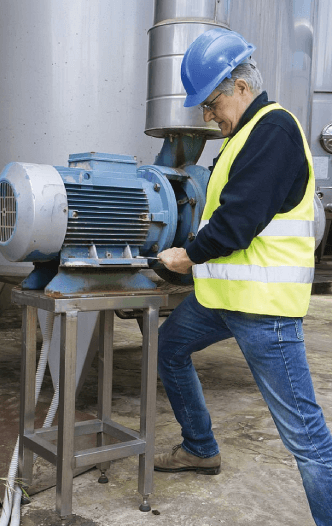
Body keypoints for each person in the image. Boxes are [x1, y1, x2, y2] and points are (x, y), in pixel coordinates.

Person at [155, 27, 332, 526]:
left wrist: (185, 258)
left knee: (305, 435)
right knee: (169, 348)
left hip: (264, 311)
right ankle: (200, 447)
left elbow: (235, 224)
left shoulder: (273, 129)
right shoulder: (242, 137)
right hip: (222, 298)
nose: (208, 116)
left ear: (240, 85)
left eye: (211, 103)